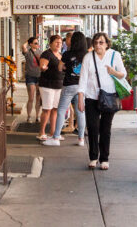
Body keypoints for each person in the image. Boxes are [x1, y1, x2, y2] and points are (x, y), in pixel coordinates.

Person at [78, 33, 127, 170]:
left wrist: (113, 72)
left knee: (106, 129)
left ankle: (104, 158)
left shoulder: (114, 55)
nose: (98, 45)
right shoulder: (88, 57)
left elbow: (123, 74)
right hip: (91, 97)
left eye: (101, 42)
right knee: (93, 128)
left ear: (107, 44)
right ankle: (93, 157)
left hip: (109, 97)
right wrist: (80, 98)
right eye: (96, 42)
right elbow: (83, 78)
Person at [43, 32, 87, 147]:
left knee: (61, 110)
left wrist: (66, 68)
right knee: (81, 112)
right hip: (82, 87)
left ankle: (56, 137)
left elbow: (59, 67)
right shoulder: (87, 55)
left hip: (69, 85)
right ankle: (81, 139)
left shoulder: (67, 54)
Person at [37, 35, 64, 141]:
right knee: (47, 109)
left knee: (55, 109)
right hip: (47, 85)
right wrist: (43, 68)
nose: (58, 44)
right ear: (51, 43)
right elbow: (42, 67)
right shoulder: (46, 54)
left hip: (58, 85)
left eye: (60, 42)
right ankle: (41, 132)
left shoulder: (60, 54)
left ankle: (53, 132)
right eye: (56, 42)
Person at [21, 37, 42, 123]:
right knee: (31, 97)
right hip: (30, 77)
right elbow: (23, 46)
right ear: (31, 44)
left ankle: (37, 116)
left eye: (37, 43)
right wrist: (28, 40)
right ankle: (29, 116)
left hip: (40, 76)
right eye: (35, 43)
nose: (37, 44)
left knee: (38, 97)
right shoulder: (28, 52)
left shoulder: (41, 52)